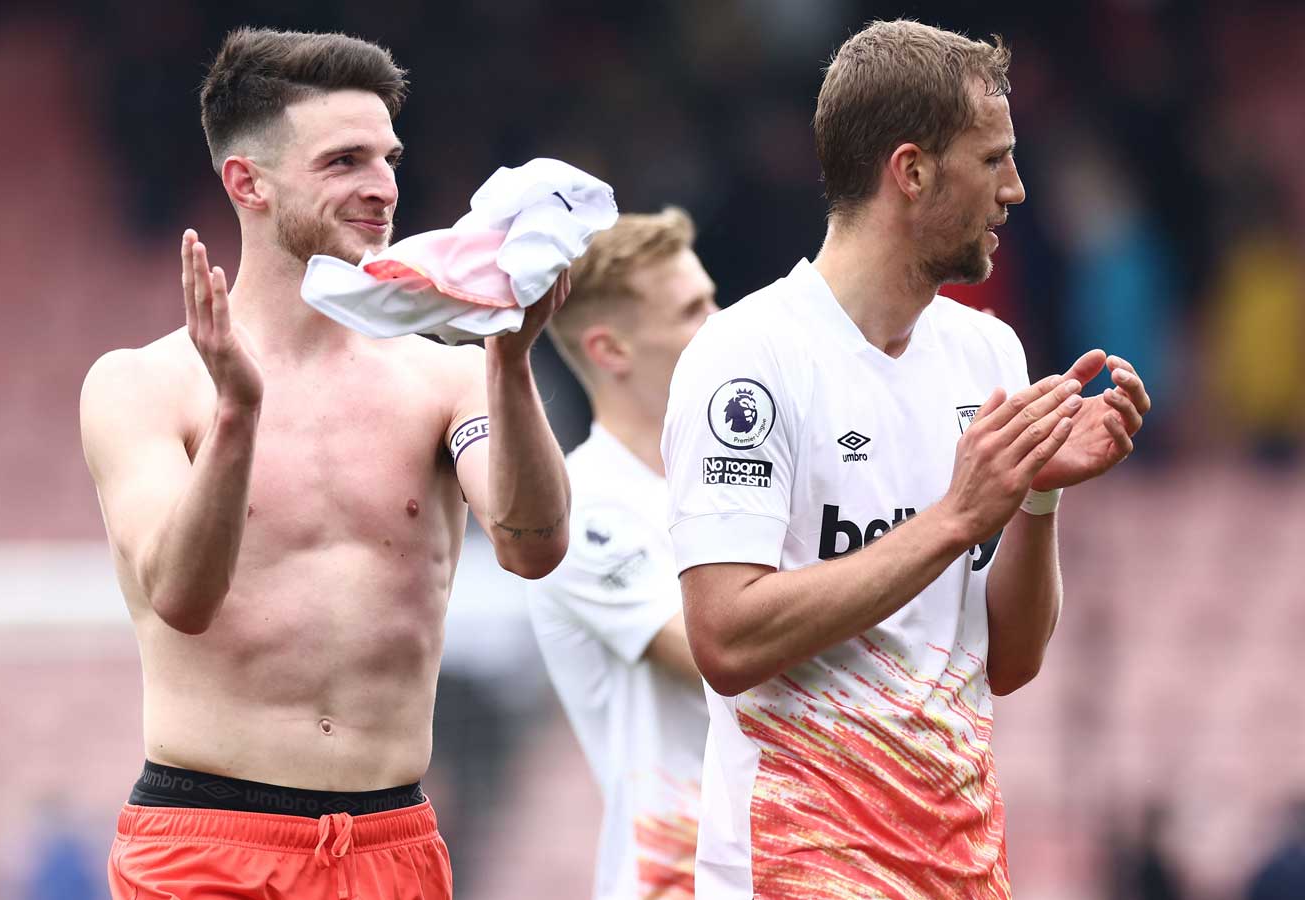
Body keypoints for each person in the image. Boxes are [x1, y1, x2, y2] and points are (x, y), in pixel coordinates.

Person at [660, 20, 1153, 898]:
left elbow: (1008, 660)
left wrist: (1035, 498)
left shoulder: (989, 354)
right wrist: (958, 517)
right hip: (793, 866)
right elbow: (726, 638)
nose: (1018, 189)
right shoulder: (747, 359)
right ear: (913, 171)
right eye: (993, 160)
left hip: (961, 868)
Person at [78, 28, 571, 899]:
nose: (381, 187)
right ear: (249, 183)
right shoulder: (143, 384)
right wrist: (239, 414)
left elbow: (533, 545)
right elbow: (183, 598)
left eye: (388, 158)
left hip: (393, 841)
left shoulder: (446, 375)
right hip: (209, 843)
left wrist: (512, 358)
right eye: (344, 161)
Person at [528, 209, 717, 899]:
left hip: (804, 861)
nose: (720, 322)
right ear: (610, 350)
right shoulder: (579, 508)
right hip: (679, 878)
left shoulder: (746, 479)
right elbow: (721, 654)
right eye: (693, 309)